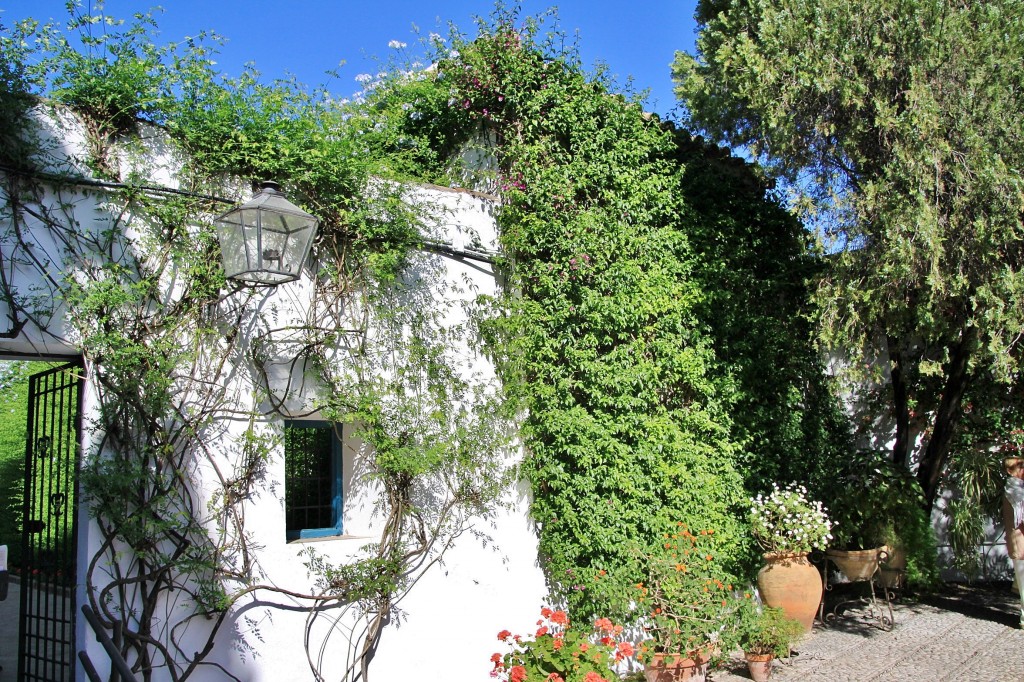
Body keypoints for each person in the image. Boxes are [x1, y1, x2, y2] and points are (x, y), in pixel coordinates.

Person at [1002, 457, 1024, 627]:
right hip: (1020, 542)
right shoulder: (1015, 492)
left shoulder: (1016, 489)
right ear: (1011, 471)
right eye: (1020, 468)